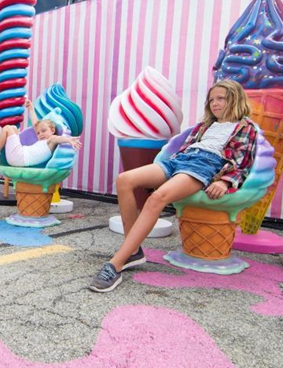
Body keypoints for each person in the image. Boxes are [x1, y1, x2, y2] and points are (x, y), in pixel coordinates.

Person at [89, 79, 257, 292]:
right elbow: (184, 149)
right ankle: (132, 251)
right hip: (180, 161)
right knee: (124, 180)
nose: (215, 104)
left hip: (204, 165)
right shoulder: (205, 125)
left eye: (221, 99)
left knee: (157, 198)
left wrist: (225, 181)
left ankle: (116, 264)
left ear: (236, 99)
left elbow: (243, 162)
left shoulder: (245, 127)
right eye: (212, 100)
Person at [0, 99, 82, 166]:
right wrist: (31, 108)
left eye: (43, 131)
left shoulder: (51, 139)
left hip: (20, 157)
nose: (40, 134)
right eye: (39, 133)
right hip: (19, 155)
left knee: (7, 129)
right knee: (12, 128)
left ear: (53, 130)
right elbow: (36, 124)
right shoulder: (44, 139)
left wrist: (69, 139)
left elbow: (58, 138)